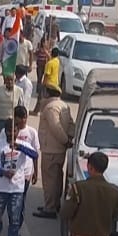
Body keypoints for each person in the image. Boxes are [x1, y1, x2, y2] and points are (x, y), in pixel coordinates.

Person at [0, 119, 38, 236]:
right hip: (1, 187)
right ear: (5, 131)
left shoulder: (23, 145)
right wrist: (3, 173)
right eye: (9, 130)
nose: (12, 133)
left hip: (17, 187)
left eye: (14, 130)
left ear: (18, 131)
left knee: (15, 216)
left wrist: (20, 147)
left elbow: (35, 155)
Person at [35, 85, 75, 218]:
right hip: (58, 149)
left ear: (47, 92)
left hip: (51, 148)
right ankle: (54, 204)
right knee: (57, 178)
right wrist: (69, 139)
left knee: (50, 180)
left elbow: (55, 127)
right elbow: (70, 124)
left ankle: (50, 208)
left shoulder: (50, 108)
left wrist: (65, 140)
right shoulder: (63, 105)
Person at [0, 74, 24, 141]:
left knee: (12, 141)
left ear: (14, 81)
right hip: (1, 120)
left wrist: (21, 121)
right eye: (7, 80)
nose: (9, 82)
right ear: (5, 80)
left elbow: (21, 107)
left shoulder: (19, 91)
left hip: (13, 121)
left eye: (11, 80)